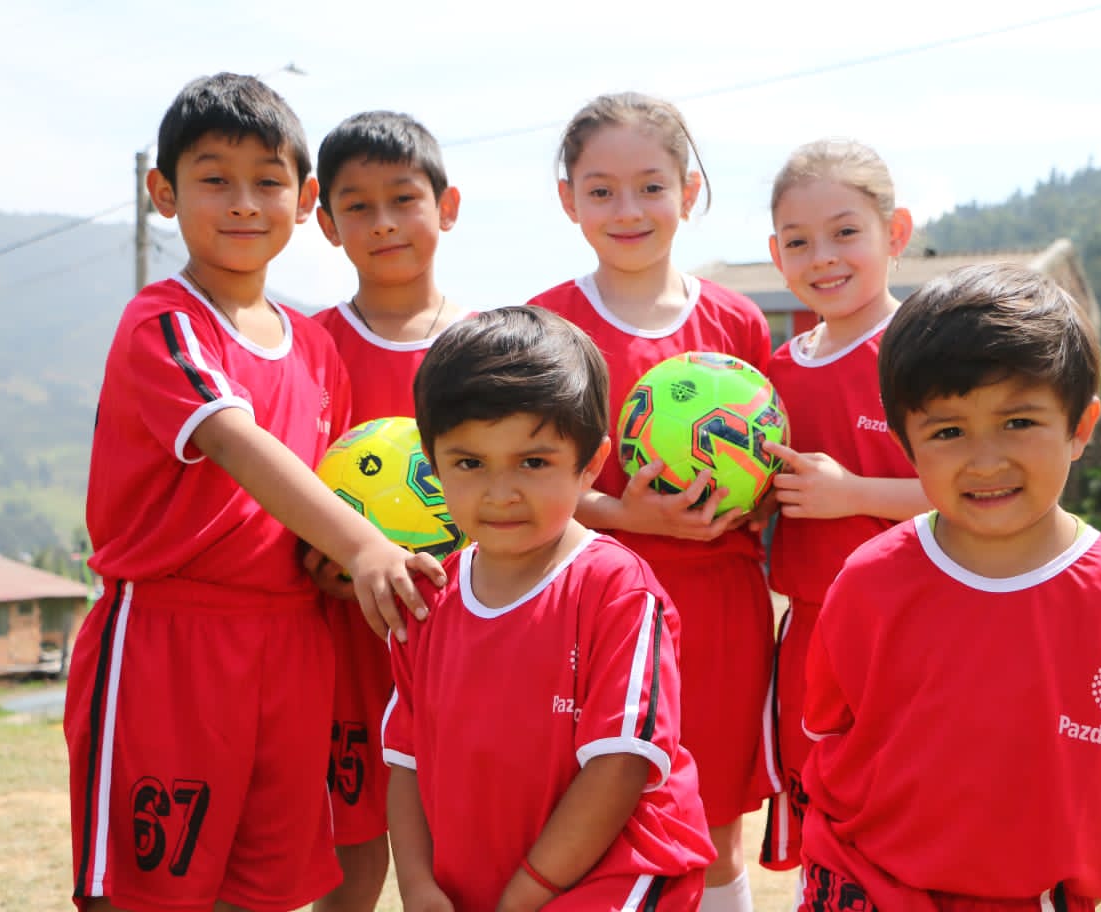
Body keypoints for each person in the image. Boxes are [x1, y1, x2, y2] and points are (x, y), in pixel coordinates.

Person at [64, 74, 445, 912]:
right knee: (148, 891)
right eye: (214, 179)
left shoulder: (317, 350)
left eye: (267, 181)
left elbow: (323, 497)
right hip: (172, 641)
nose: (243, 203)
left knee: (267, 887)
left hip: (294, 642)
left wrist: (337, 566)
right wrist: (368, 547)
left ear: (304, 200)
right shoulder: (164, 322)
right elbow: (237, 443)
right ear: (162, 192)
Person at [798, 264, 1101, 912]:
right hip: (861, 888)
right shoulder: (867, 582)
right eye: (948, 431)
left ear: (1081, 425)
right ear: (906, 442)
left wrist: (1075, 882)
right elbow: (826, 740)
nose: (985, 460)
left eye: (1018, 422)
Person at [528, 91, 775, 912]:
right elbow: (525, 489)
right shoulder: (544, 326)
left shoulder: (738, 323)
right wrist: (626, 517)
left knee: (712, 832)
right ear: (569, 201)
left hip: (718, 605)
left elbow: (765, 470)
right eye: (600, 190)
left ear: (689, 192)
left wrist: (752, 502)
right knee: (585, 824)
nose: (626, 209)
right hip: (589, 609)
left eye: (650, 186)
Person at [382, 306, 716, 911]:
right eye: (469, 463)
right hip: (478, 886)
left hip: (607, 881)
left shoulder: (616, 589)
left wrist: (523, 898)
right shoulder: (427, 597)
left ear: (590, 465)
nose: (501, 492)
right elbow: (404, 759)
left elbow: (619, 768)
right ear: (433, 465)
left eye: (533, 462)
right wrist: (417, 884)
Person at [756, 140, 929, 885]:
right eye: (798, 242)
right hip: (810, 633)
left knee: (910, 820)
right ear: (775, 253)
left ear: (896, 234)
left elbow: (973, 492)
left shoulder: (926, 353)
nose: (822, 257)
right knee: (821, 826)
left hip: (916, 629)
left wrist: (851, 493)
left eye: (845, 232)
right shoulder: (774, 373)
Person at [308, 110, 467, 912]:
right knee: (353, 864)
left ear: (447, 206)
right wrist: (325, 563)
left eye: (403, 199)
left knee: (467, 859)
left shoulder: (492, 348)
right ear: (327, 223)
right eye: (357, 206)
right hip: (348, 647)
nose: (383, 223)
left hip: (469, 639)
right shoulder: (308, 346)